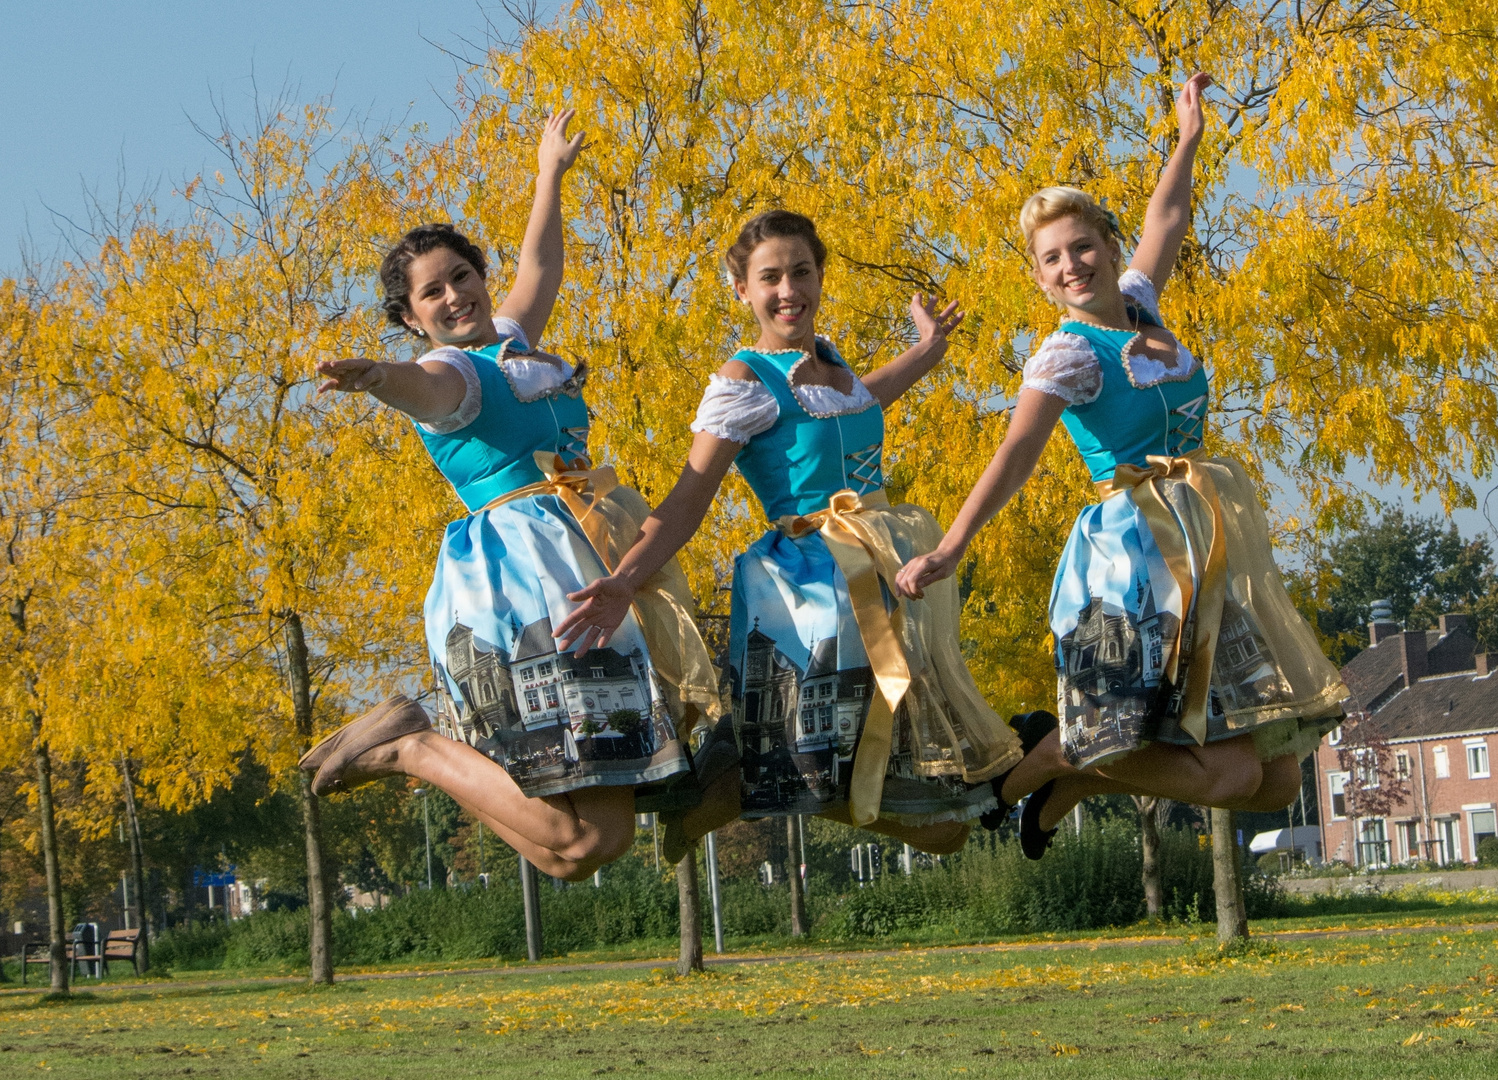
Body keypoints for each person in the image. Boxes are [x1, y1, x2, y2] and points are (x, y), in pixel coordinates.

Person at [895, 75, 1346, 857]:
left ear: (1106, 246)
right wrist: (951, 547)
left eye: (1082, 246)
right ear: (1039, 278)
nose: (1072, 265)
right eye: (1052, 259)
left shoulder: (1141, 301)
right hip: (1132, 557)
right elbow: (1015, 455)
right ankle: (1028, 775)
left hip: (1205, 546)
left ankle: (1068, 773)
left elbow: (1166, 216)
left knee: (1271, 781)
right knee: (1216, 775)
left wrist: (1189, 136)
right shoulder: (1068, 353)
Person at [302, 111, 721, 882]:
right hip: (531, 586)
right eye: (433, 293)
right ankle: (417, 747)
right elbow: (418, 385)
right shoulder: (452, 375)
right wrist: (375, 377)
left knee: (581, 851)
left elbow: (541, 266)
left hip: (580, 558)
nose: (457, 296)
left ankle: (415, 746)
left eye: (464, 276)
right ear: (408, 317)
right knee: (592, 839)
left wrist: (548, 175)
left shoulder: (512, 347)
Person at [553, 209, 1025, 856]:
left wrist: (928, 351)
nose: (788, 290)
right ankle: (732, 786)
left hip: (885, 571)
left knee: (943, 823)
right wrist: (625, 582)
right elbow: (690, 498)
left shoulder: (829, 366)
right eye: (769, 277)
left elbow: (862, 400)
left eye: (801, 272)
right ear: (740, 289)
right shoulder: (745, 379)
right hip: (816, 588)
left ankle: (736, 775)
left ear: (820, 276)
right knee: (863, 782)